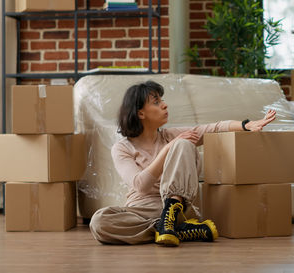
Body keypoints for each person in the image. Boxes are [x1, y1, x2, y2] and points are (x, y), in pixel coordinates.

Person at [90, 80, 276, 246]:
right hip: (142, 210)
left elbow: (213, 128)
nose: (164, 105)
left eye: (162, 100)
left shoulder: (173, 136)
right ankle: (170, 229)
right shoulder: (122, 148)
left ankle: (170, 218)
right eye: (156, 102)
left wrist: (247, 125)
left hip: (179, 208)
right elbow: (141, 185)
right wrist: (167, 149)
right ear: (140, 113)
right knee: (99, 222)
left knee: (184, 143)